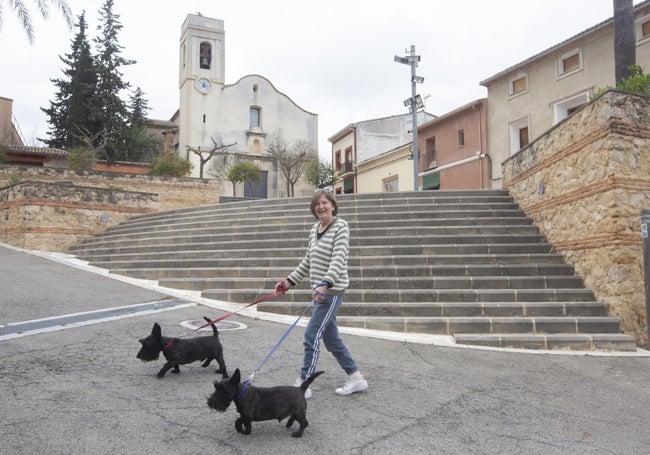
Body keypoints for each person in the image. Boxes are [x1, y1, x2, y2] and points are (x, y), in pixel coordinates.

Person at [275, 189, 368, 398]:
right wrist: (288, 282)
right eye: (317, 204)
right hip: (320, 292)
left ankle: (304, 384)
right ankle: (355, 377)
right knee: (331, 339)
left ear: (333, 205)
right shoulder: (314, 229)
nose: (321, 207)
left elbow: (338, 259)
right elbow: (308, 261)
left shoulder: (341, 227)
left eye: (325, 203)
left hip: (331, 292)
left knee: (311, 335)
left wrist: (325, 283)